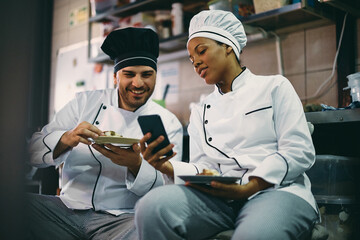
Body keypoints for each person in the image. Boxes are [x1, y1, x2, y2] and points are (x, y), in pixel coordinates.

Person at [135, 10, 319, 240]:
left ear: (228, 46)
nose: (196, 62)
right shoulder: (200, 110)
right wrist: (166, 167)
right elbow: (203, 166)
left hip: (275, 191)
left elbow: (298, 151)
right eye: (192, 59)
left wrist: (248, 188)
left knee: (256, 235)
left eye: (201, 51)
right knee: (151, 208)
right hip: (220, 198)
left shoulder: (274, 87)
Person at [27, 27, 183, 240]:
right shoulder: (84, 103)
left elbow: (168, 190)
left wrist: (135, 165)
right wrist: (66, 139)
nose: (138, 83)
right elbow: (32, 151)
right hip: (65, 211)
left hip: (123, 220)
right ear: (115, 77)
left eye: (147, 74)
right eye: (129, 74)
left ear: (156, 76)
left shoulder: (167, 122)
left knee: (155, 230)